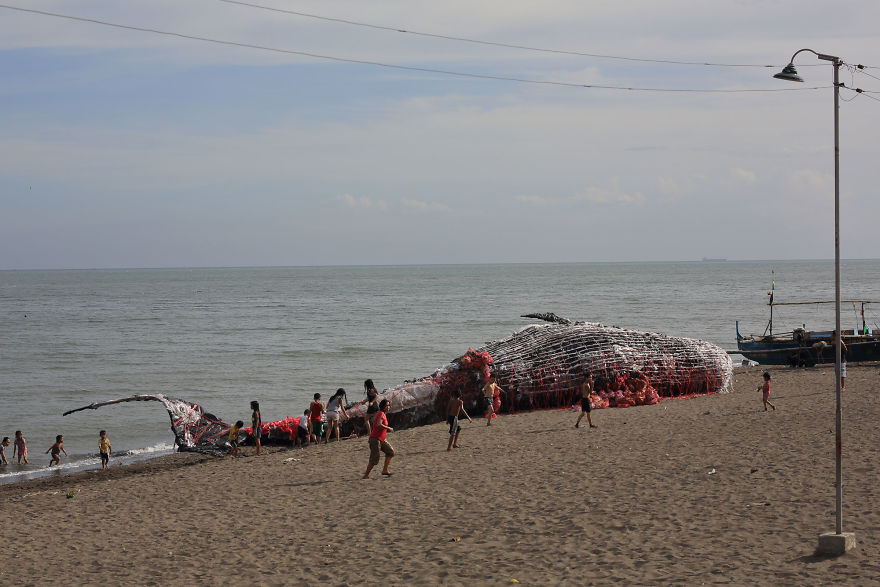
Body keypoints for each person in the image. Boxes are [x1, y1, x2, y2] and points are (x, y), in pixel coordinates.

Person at [363, 399, 394, 478]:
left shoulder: (382, 414)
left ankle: (385, 470)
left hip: (381, 439)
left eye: (389, 405)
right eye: (386, 405)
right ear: (382, 406)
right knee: (374, 459)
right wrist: (388, 428)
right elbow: (378, 424)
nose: (388, 407)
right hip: (375, 439)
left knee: (390, 452)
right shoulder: (381, 414)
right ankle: (366, 475)